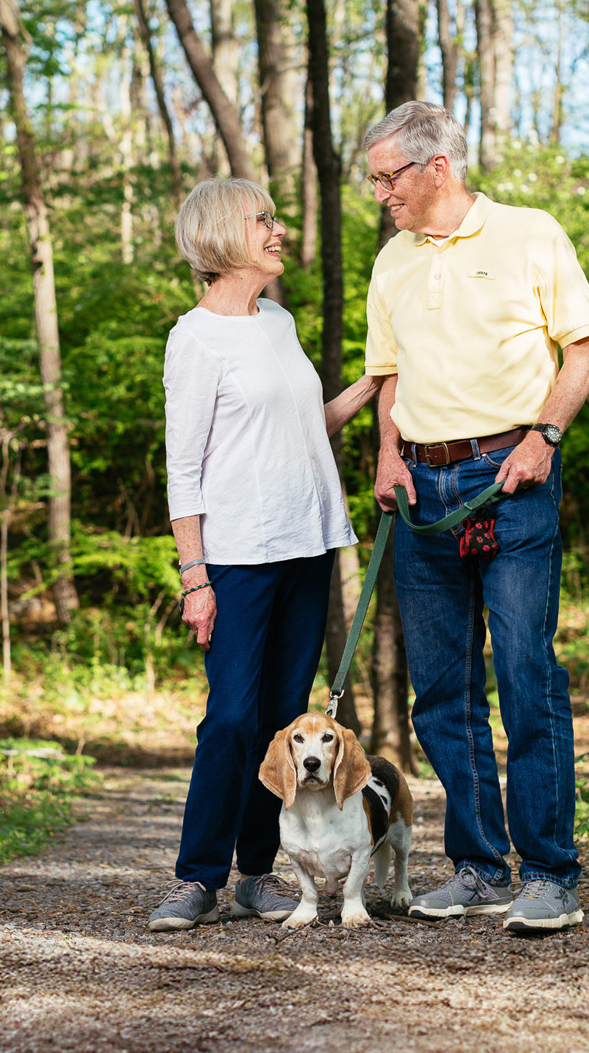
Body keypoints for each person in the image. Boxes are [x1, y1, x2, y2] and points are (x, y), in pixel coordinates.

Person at [362, 102, 589, 934]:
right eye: (374, 180)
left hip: (513, 475)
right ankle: (477, 867)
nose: (380, 193)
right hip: (422, 488)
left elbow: (584, 348)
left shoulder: (532, 234)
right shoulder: (392, 260)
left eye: (388, 176)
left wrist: (545, 436)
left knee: (527, 676)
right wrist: (388, 456)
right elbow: (389, 375)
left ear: (437, 168)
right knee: (443, 693)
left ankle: (549, 874)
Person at [148, 178, 382, 932]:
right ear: (222, 236)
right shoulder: (194, 338)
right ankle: (197, 877)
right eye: (264, 221)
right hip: (239, 558)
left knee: (285, 720)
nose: (278, 231)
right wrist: (195, 577)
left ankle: (256, 874)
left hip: (306, 545)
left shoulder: (276, 322)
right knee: (231, 718)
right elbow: (183, 468)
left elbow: (304, 428)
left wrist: (376, 383)